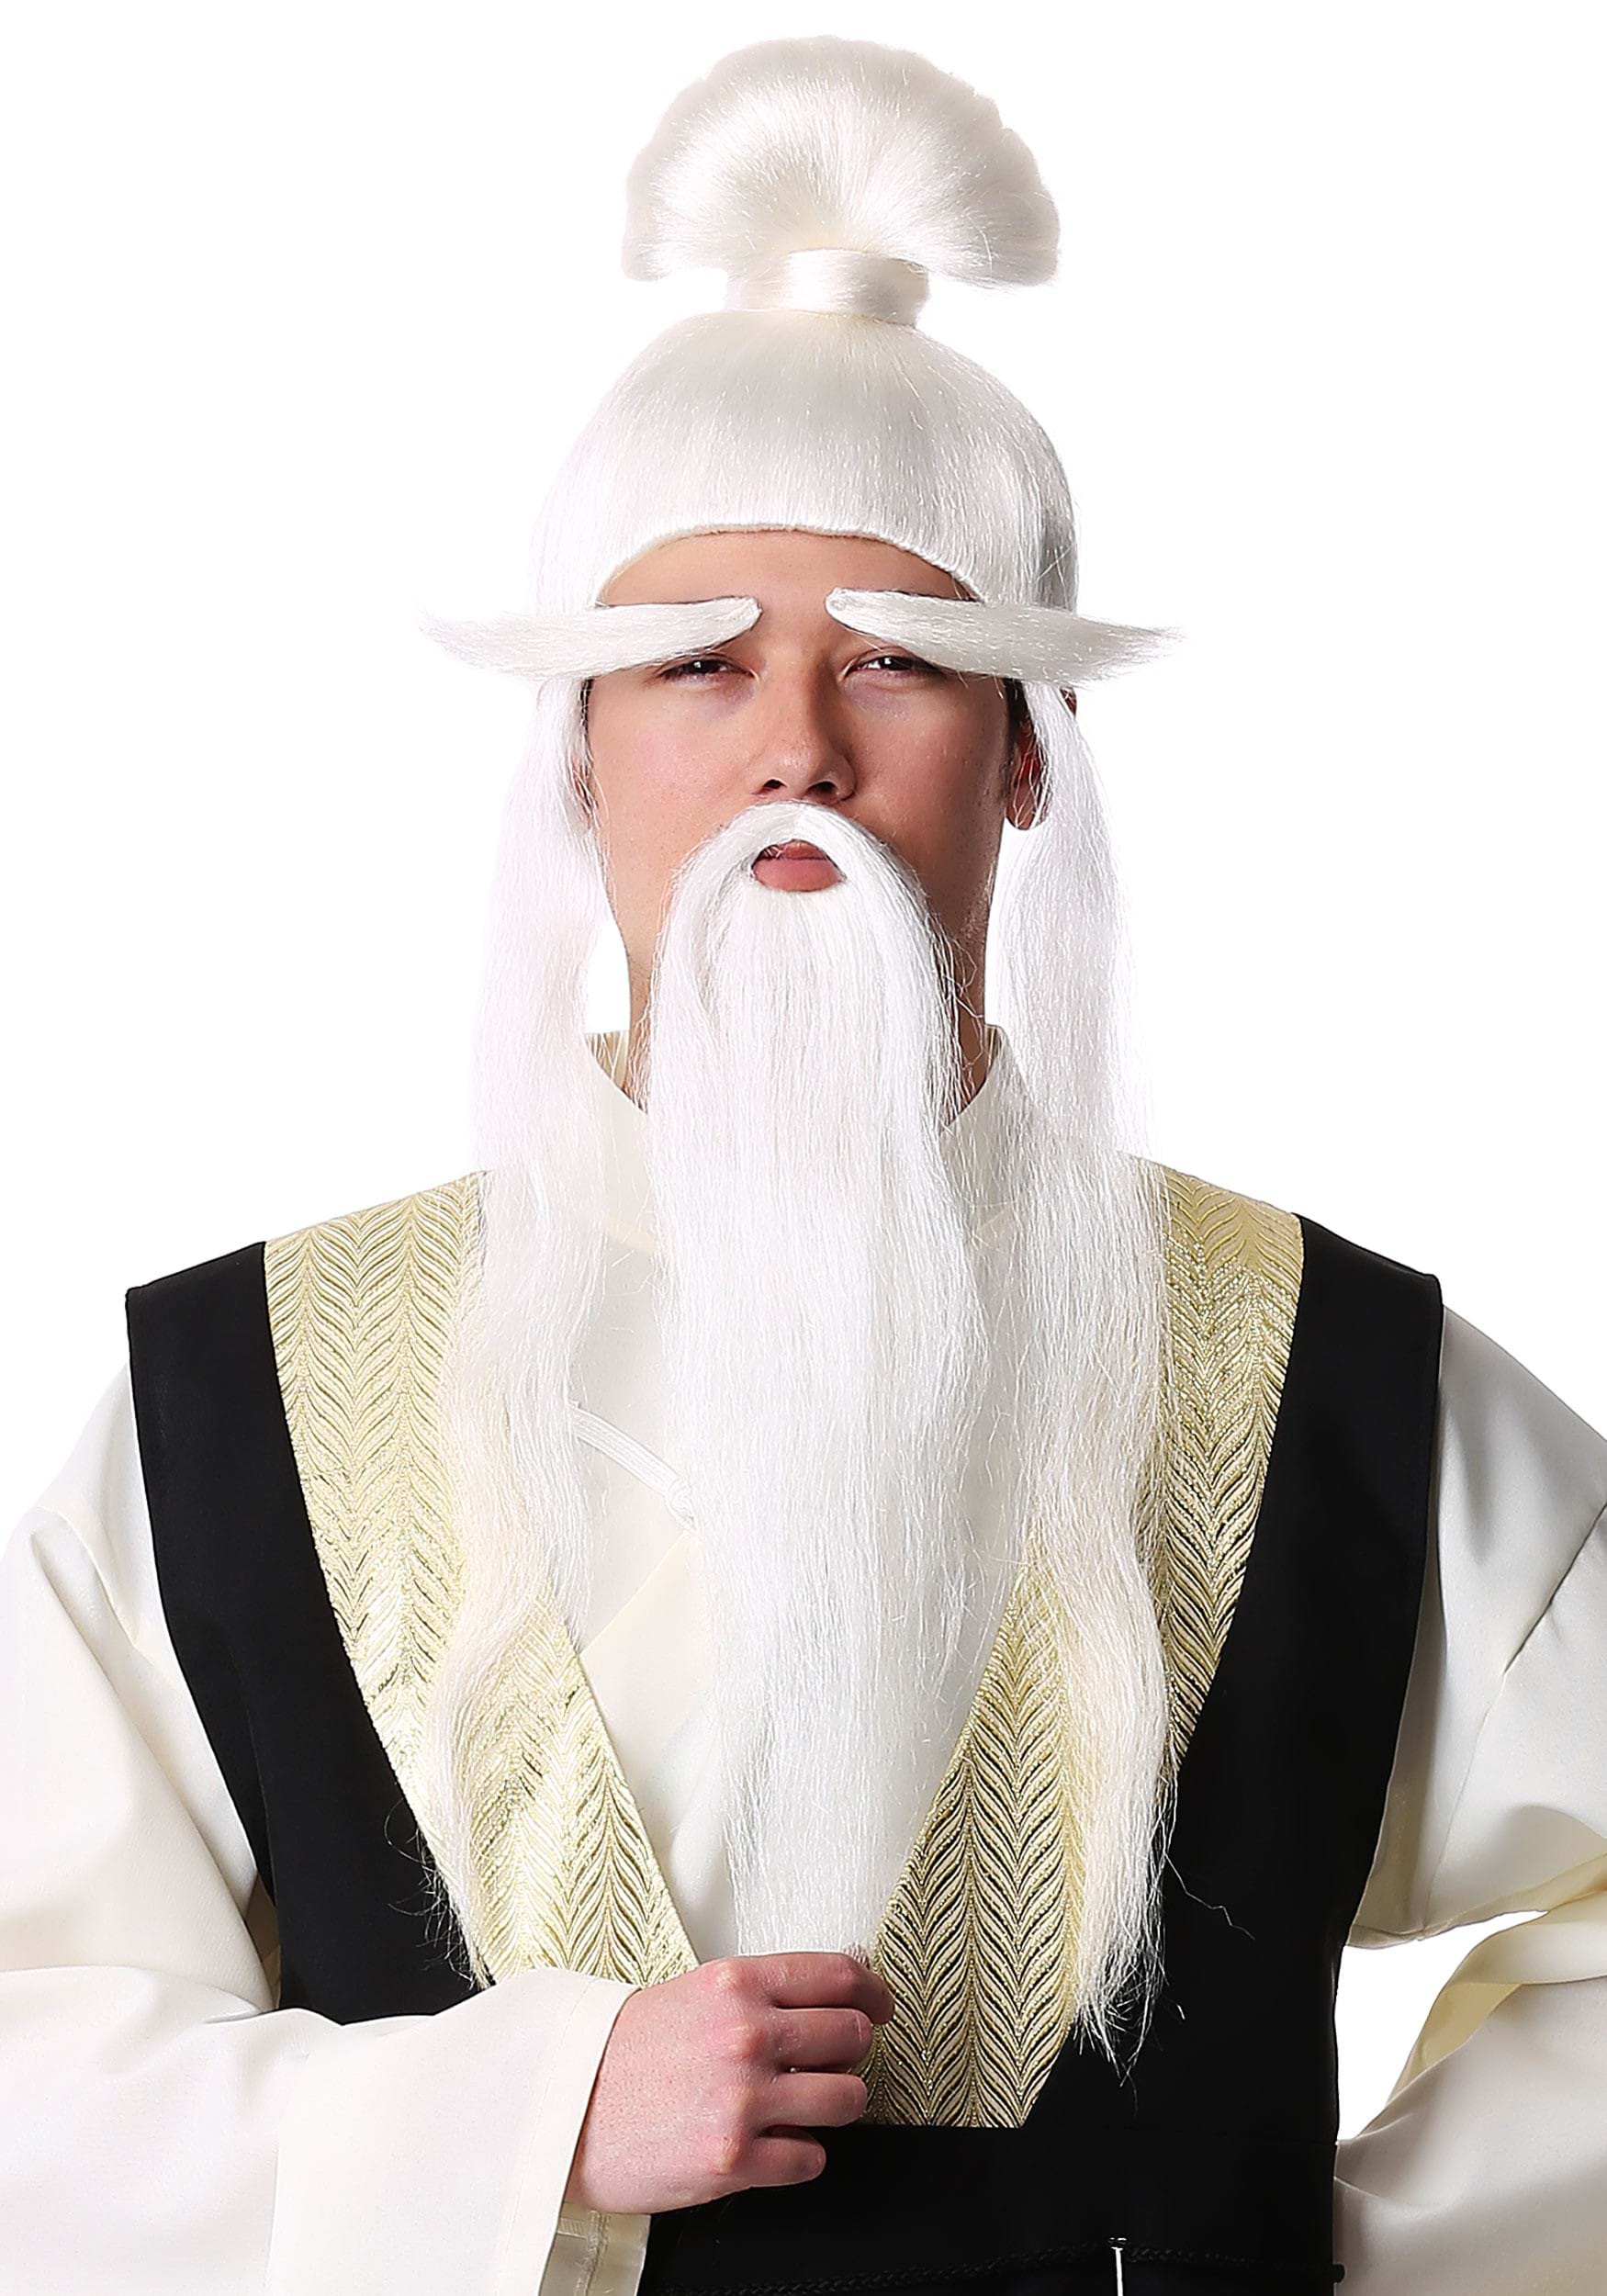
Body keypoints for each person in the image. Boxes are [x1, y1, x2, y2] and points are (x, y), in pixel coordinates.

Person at [3, 31, 1603, 2296]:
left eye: (893, 666)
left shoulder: (1324, 1371)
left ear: (1025, 752)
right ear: (576, 752)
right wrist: (524, 2121)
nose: (792, 753)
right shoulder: (252, 1382)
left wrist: (1321, 2249)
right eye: (692, 668)